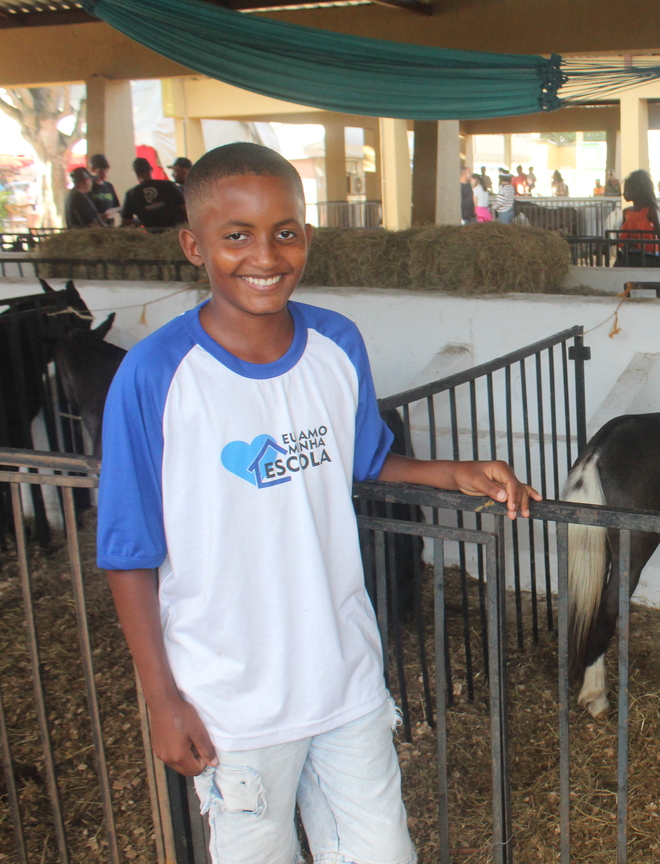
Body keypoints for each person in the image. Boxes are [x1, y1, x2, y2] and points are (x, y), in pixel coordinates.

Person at [97, 142, 539, 864]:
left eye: (285, 232)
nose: (264, 255)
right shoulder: (157, 375)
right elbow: (127, 551)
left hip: (344, 679)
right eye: (236, 235)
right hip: (232, 703)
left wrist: (455, 473)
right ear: (193, 246)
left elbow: (363, 458)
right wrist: (163, 699)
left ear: (307, 236)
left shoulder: (337, 343)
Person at [120, 156, 187, 230]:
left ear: (136, 173)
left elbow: (126, 222)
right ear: (151, 169)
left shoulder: (131, 194)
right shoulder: (168, 185)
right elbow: (185, 209)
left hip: (152, 234)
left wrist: (141, 220)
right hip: (176, 231)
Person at [618, 168, 660, 266]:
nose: (624, 194)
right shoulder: (626, 212)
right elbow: (623, 234)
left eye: (627, 191)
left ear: (637, 191)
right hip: (629, 252)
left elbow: (659, 235)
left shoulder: (650, 211)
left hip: (648, 254)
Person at [88, 153, 120, 219]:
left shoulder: (109, 186)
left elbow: (116, 206)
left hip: (108, 223)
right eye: (101, 172)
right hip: (94, 223)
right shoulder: (88, 187)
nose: (104, 175)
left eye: (106, 172)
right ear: (93, 170)